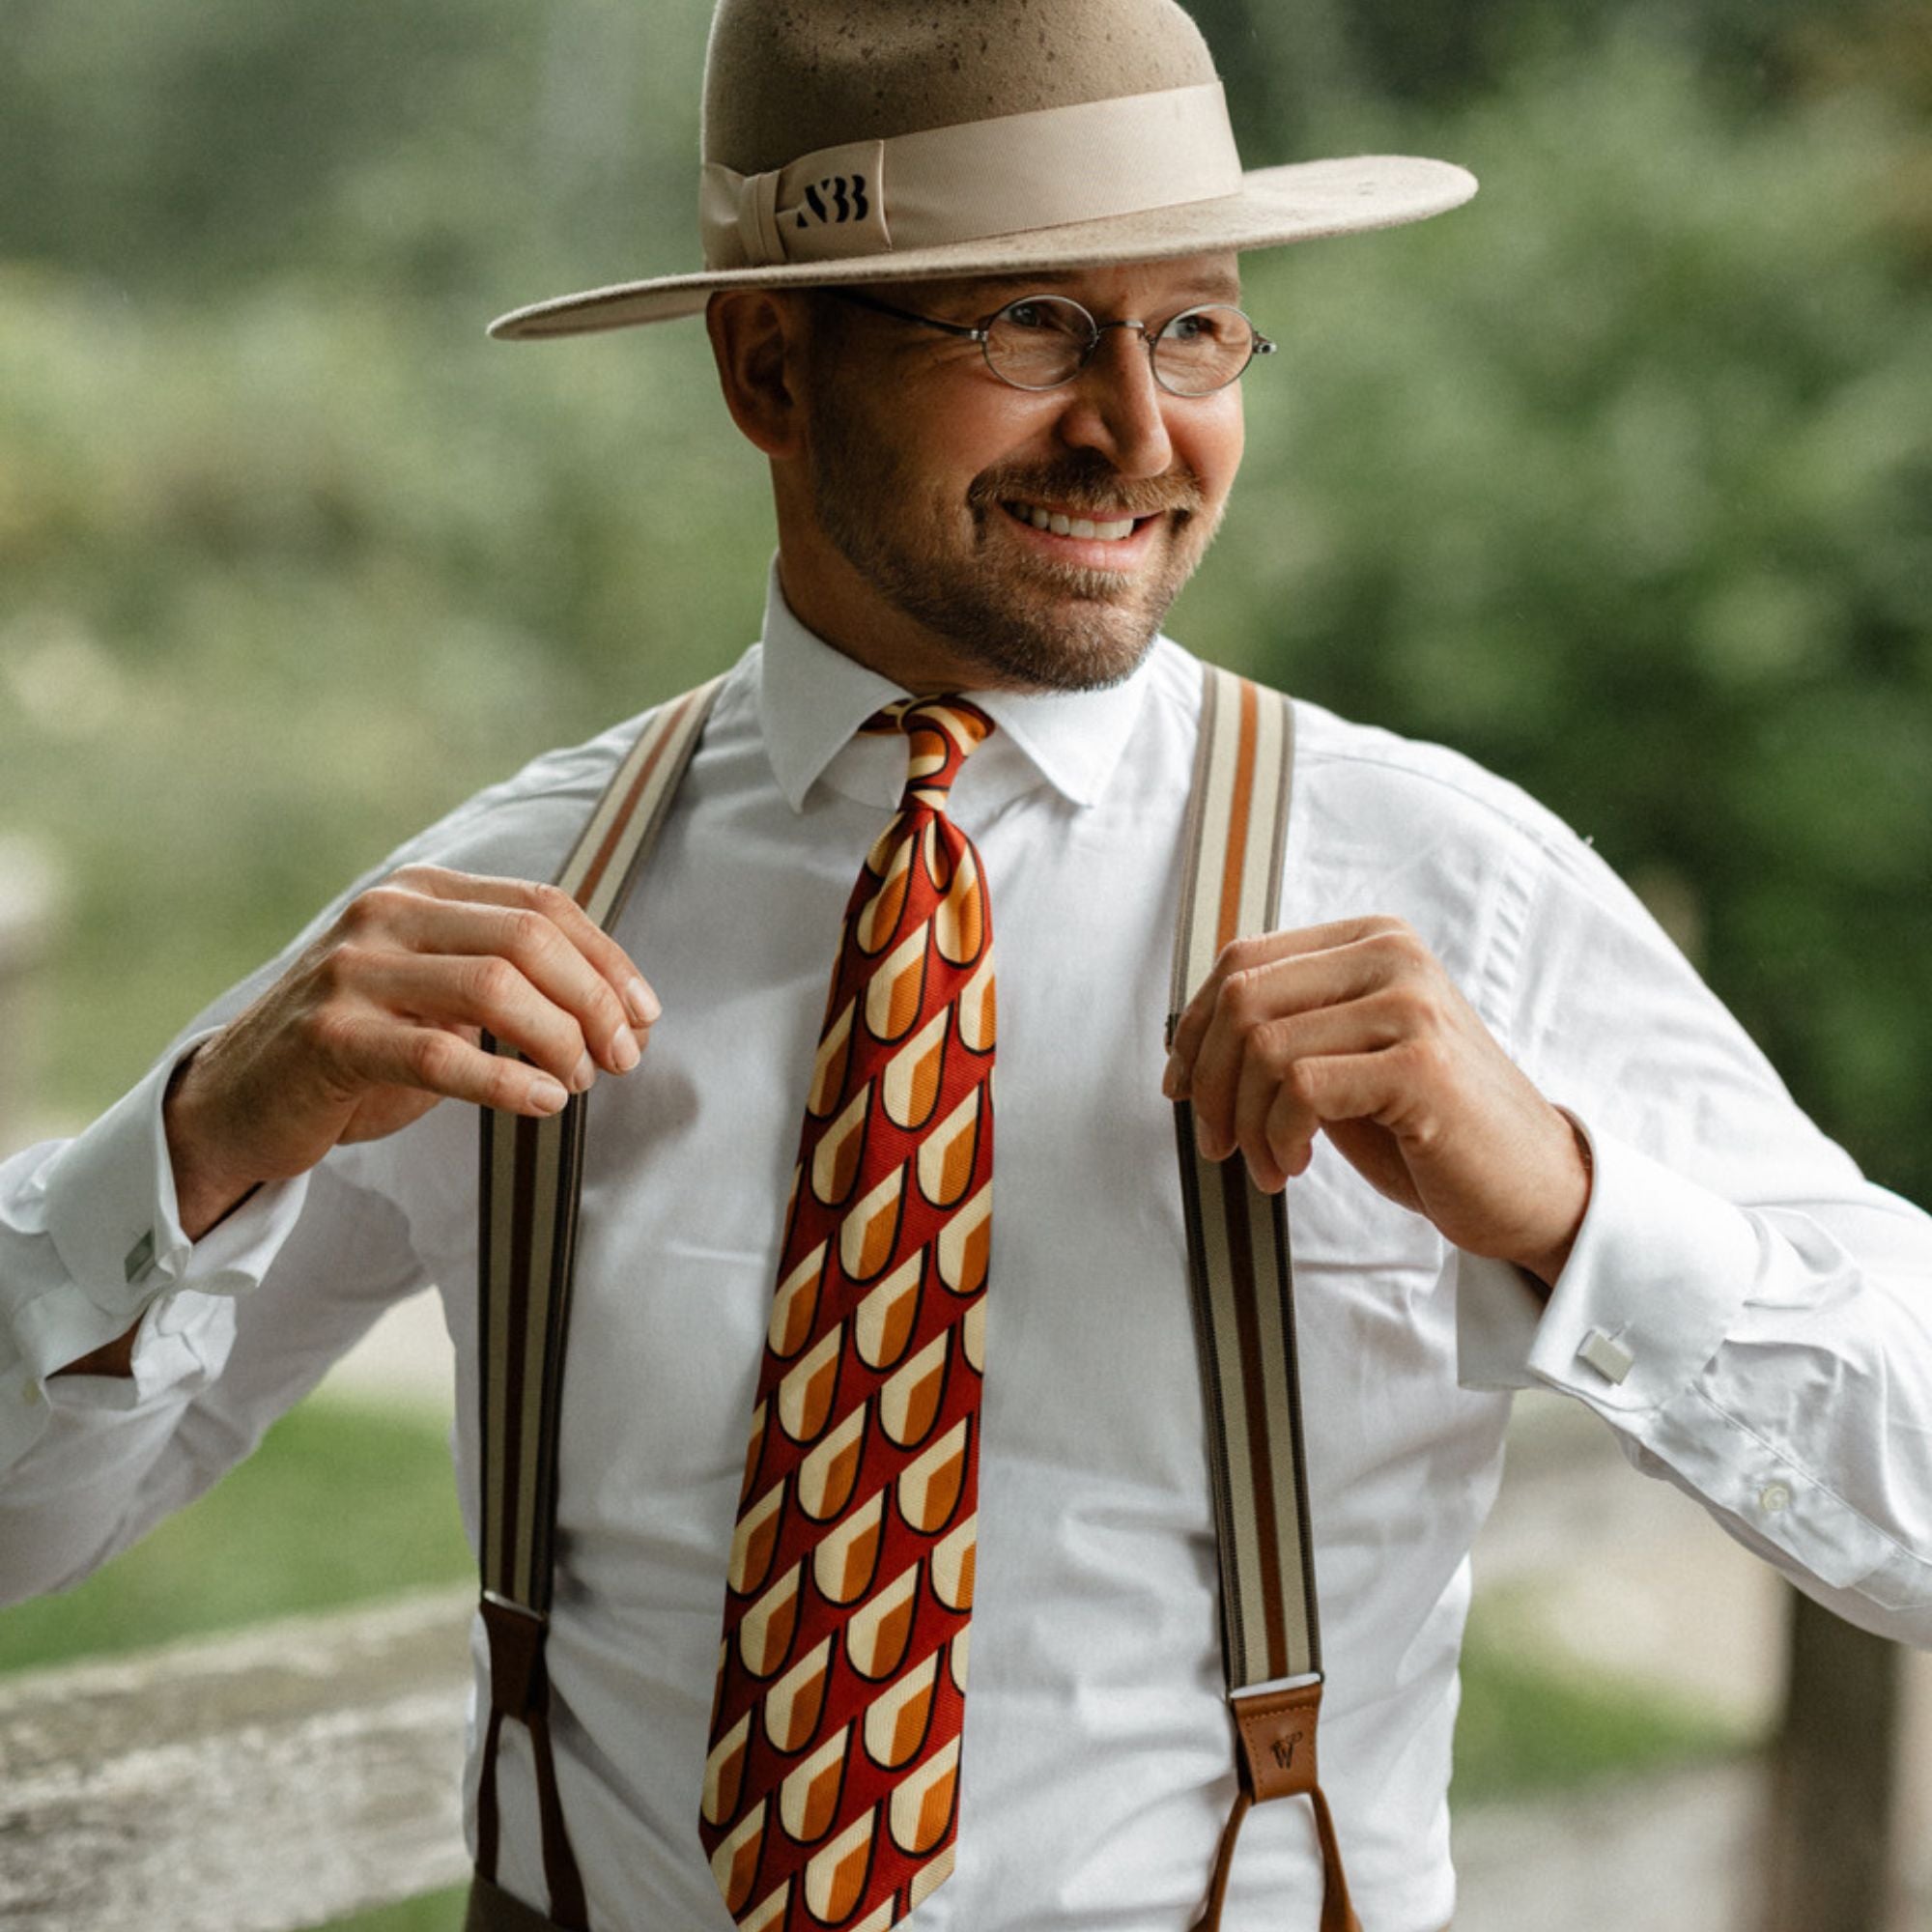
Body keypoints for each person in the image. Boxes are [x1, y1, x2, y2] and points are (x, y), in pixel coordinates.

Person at [3, 1, 1928, 1928]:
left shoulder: (1444, 887)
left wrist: (1575, 1206)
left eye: (1193, 323)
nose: (1139, 427)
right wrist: (201, 1135)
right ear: (767, 363)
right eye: (1026, 323)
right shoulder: (496, 905)